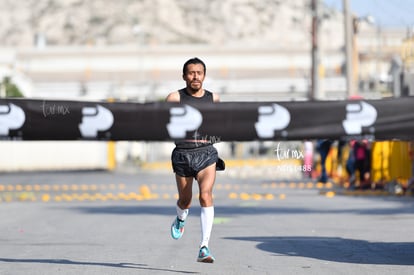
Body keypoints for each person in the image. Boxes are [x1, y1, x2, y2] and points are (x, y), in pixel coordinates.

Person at [165, 57, 222, 263]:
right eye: (191, 73)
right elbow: (162, 121)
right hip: (183, 153)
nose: (195, 76)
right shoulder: (174, 97)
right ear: (184, 76)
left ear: (204, 76)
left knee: (205, 195)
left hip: (206, 152)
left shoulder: (213, 98)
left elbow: (220, 123)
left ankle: (204, 247)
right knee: (185, 200)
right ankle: (181, 218)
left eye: (199, 72)